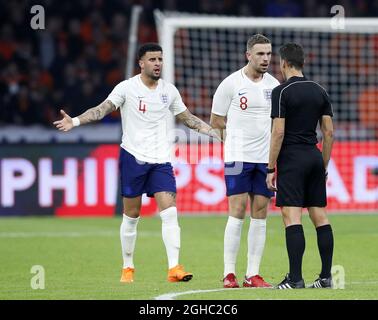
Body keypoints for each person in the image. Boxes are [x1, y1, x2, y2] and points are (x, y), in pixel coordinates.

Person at [54, 43, 220, 283]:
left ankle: (174, 268)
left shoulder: (169, 91)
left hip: (161, 160)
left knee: (170, 213)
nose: (157, 64)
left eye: (160, 59)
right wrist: (76, 122)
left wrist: (213, 132)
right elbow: (103, 109)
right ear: (141, 63)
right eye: (152, 59)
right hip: (133, 157)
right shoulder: (127, 88)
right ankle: (128, 267)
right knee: (131, 216)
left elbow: (188, 119)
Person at [210, 34, 280, 288]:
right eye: (260, 54)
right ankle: (229, 274)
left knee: (260, 214)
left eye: (269, 54)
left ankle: (253, 274)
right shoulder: (230, 84)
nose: (266, 59)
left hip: (264, 160)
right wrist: (233, 144)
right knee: (237, 212)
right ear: (248, 55)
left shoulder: (274, 85)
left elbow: (277, 124)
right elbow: (216, 122)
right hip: (238, 158)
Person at [266, 43, 334, 289]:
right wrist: (323, 164)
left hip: (292, 159)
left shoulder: (281, 92)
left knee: (291, 215)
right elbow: (328, 132)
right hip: (314, 157)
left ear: (283, 63)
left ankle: (295, 279)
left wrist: (270, 168)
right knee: (320, 216)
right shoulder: (320, 90)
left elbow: (278, 133)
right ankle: (326, 277)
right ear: (302, 63)